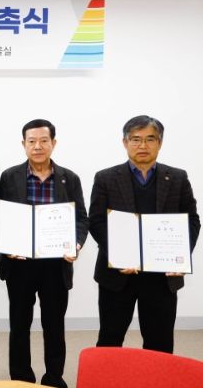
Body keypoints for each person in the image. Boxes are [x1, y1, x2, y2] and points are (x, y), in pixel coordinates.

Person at [89, 115, 200, 353]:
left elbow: (192, 220)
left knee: (160, 343)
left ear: (160, 143)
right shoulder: (106, 178)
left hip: (162, 275)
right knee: (110, 338)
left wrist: (180, 257)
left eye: (150, 139)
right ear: (125, 142)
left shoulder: (178, 177)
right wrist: (119, 255)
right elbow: (96, 221)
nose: (143, 145)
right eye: (136, 139)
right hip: (118, 275)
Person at [0, 119, 88, 388]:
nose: (37, 146)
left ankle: (54, 377)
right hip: (19, 264)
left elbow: (81, 218)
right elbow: (0, 217)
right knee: (19, 324)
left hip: (55, 265)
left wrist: (76, 244)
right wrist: (7, 245)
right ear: (23, 144)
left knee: (54, 324)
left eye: (43, 141)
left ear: (53, 143)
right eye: (32, 141)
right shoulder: (9, 176)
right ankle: (21, 378)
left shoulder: (69, 178)